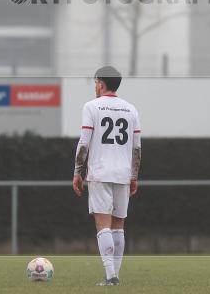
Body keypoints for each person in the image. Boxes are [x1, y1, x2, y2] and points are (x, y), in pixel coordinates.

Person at [72, 66, 142, 286]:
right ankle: (115, 276)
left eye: (95, 82)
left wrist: (77, 173)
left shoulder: (91, 107)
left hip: (100, 173)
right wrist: (134, 176)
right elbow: (136, 149)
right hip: (122, 174)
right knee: (118, 227)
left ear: (101, 83)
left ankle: (110, 276)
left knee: (103, 225)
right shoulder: (131, 110)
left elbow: (84, 143)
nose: (94, 86)